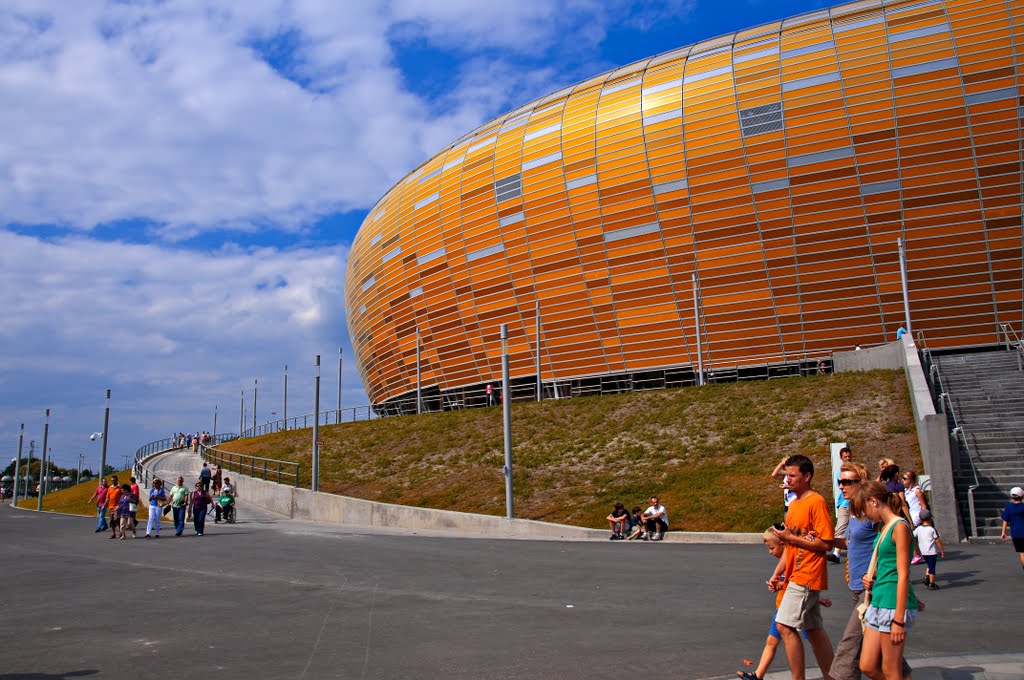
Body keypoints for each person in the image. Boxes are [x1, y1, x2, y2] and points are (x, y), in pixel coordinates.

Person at [829, 463, 914, 680]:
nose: (842, 486)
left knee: (851, 649)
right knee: (873, 662)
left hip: (884, 596)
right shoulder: (876, 523)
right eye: (841, 481)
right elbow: (874, 553)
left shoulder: (891, 525)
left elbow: (901, 571)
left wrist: (900, 615)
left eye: (847, 481)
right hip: (868, 592)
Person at [768, 454, 835, 680]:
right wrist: (777, 573)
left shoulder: (816, 502)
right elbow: (789, 544)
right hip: (795, 574)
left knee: (785, 626)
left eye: (792, 475)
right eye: (786, 475)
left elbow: (826, 542)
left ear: (807, 476)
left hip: (807, 574)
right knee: (813, 630)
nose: (787, 479)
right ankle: (832, 676)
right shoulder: (794, 504)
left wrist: (792, 539)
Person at [738, 528, 833, 680]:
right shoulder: (785, 563)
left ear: (783, 544)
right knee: (772, 641)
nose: (770, 552)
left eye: (772, 548)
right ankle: (758, 674)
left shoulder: (795, 561)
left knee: (813, 636)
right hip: (782, 607)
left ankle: (825, 673)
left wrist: (781, 585)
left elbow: (797, 588)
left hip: (791, 607)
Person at [851, 481, 919, 680]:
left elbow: (903, 573)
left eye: (863, 509)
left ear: (873, 501)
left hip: (892, 603)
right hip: (878, 598)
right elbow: (884, 564)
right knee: (867, 665)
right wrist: (868, 577)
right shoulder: (882, 527)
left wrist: (899, 618)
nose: (864, 516)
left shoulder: (899, 527)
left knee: (891, 669)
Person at [830, 447, 853, 563]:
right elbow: (840, 486)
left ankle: (842, 553)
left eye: (849, 456)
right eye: (845, 457)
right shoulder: (840, 471)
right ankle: (836, 553)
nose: (848, 458)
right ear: (841, 458)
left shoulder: (855, 470)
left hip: (854, 503)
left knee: (853, 528)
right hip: (844, 503)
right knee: (841, 526)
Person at [912, 509, 944, 590]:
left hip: (923, 552)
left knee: (929, 565)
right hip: (931, 552)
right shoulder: (932, 529)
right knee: (932, 567)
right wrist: (942, 550)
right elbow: (938, 541)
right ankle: (932, 583)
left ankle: (927, 578)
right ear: (930, 518)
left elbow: (912, 536)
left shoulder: (918, 529)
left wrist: (916, 548)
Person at [1000, 486, 1024, 572]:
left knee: (1022, 552)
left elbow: (1005, 520)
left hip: (1016, 533)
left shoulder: (1009, 507)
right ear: (1022, 496)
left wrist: (1003, 532)